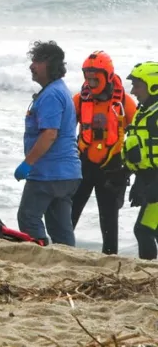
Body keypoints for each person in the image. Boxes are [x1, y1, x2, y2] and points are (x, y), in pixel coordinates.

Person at [15, 41, 82, 246]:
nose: (32, 66)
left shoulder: (52, 94)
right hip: (68, 174)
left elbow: (49, 134)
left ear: (50, 65)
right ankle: (68, 262)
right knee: (61, 228)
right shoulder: (59, 90)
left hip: (49, 173)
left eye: (37, 61)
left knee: (28, 217)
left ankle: (39, 257)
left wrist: (28, 163)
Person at [71, 51, 136, 255]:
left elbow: (138, 137)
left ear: (108, 75)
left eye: (94, 77)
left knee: (109, 218)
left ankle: (110, 257)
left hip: (112, 167)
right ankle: (59, 249)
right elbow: (63, 131)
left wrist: (130, 169)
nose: (90, 82)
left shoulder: (126, 103)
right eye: (87, 76)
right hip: (83, 164)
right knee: (69, 212)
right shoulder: (79, 100)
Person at [122, 61, 158, 260]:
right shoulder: (145, 111)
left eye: (137, 85)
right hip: (149, 179)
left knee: (143, 230)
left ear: (153, 85)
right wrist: (137, 181)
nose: (133, 91)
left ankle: (149, 275)